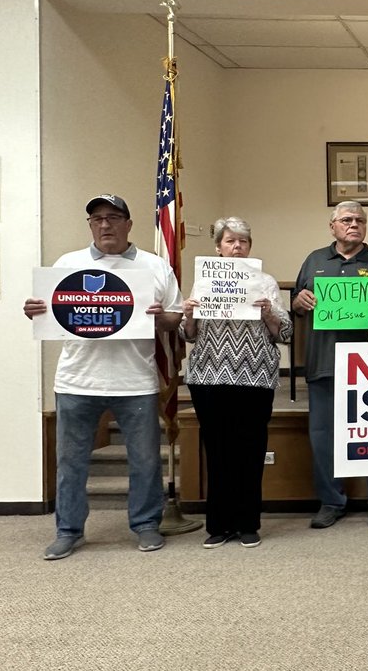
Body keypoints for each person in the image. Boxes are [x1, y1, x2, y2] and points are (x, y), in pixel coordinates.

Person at [25, 194, 183, 559]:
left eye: (113, 217)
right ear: (90, 225)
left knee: (144, 461)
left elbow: (176, 318)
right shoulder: (68, 264)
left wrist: (161, 317)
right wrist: (34, 310)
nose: (105, 225)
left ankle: (145, 525)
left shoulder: (155, 266)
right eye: (97, 219)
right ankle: (69, 530)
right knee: (71, 461)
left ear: (129, 224)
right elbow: (52, 313)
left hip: (136, 380)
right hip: (77, 380)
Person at [181, 217, 292, 549]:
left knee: (250, 450)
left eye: (243, 241)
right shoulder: (203, 283)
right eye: (230, 241)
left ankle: (248, 523)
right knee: (217, 451)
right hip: (209, 377)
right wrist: (188, 314)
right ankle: (218, 524)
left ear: (250, 247)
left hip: (254, 377)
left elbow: (285, 333)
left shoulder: (266, 282)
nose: (237, 247)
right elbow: (189, 336)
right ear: (218, 247)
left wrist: (269, 313)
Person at [292, 201, 368, 529]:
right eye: (347, 220)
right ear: (332, 226)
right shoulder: (314, 261)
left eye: (360, 220)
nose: (354, 225)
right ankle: (331, 501)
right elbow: (296, 306)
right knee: (323, 437)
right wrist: (299, 302)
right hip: (325, 363)